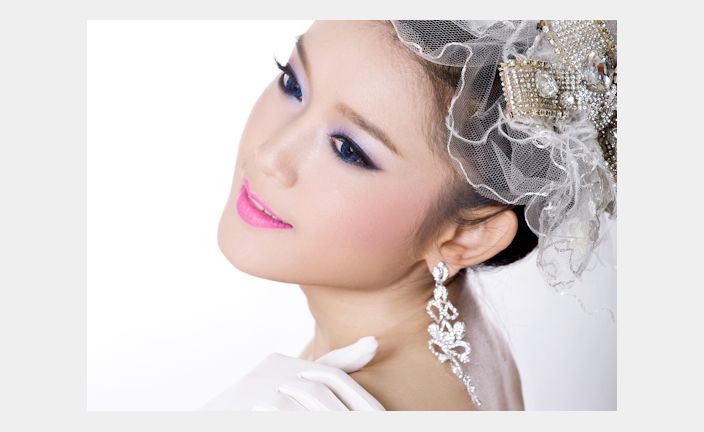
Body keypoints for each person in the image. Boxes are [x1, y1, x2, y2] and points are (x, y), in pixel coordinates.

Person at [205, 19, 616, 411]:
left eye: (348, 149)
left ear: (468, 236)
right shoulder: (471, 350)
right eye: (292, 84)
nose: (270, 155)